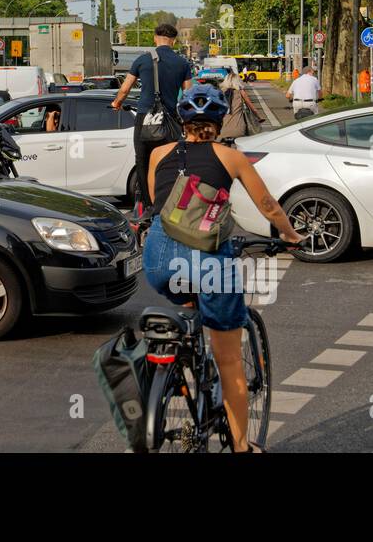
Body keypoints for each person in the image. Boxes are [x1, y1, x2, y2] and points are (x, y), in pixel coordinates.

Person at [144, 84, 302, 452]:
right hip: (207, 263)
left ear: (182, 121)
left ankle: (180, 366)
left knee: (184, 297)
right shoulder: (231, 158)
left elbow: (158, 203)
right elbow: (266, 204)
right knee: (229, 359)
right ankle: (243, 447)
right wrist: (290, 235)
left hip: (158, 261)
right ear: (219, 121)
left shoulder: (158, 154)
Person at [110, 23, 193, 216]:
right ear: (173, 40)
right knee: (170, 161)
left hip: (145, 118)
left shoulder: (143, 60)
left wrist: (116, 103)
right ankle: (170, 202)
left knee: (143, 161)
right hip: (170, 120)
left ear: (155, 38)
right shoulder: (183, 63)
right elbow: (188, 94)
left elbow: (125, 89)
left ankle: (149, 205)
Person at [219, 70, 261, 139]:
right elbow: (253, 108)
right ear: (238, 82)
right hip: (239, 130)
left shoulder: (220, 93)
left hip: (221, 131)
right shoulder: (241, 92)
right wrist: (259, 117)